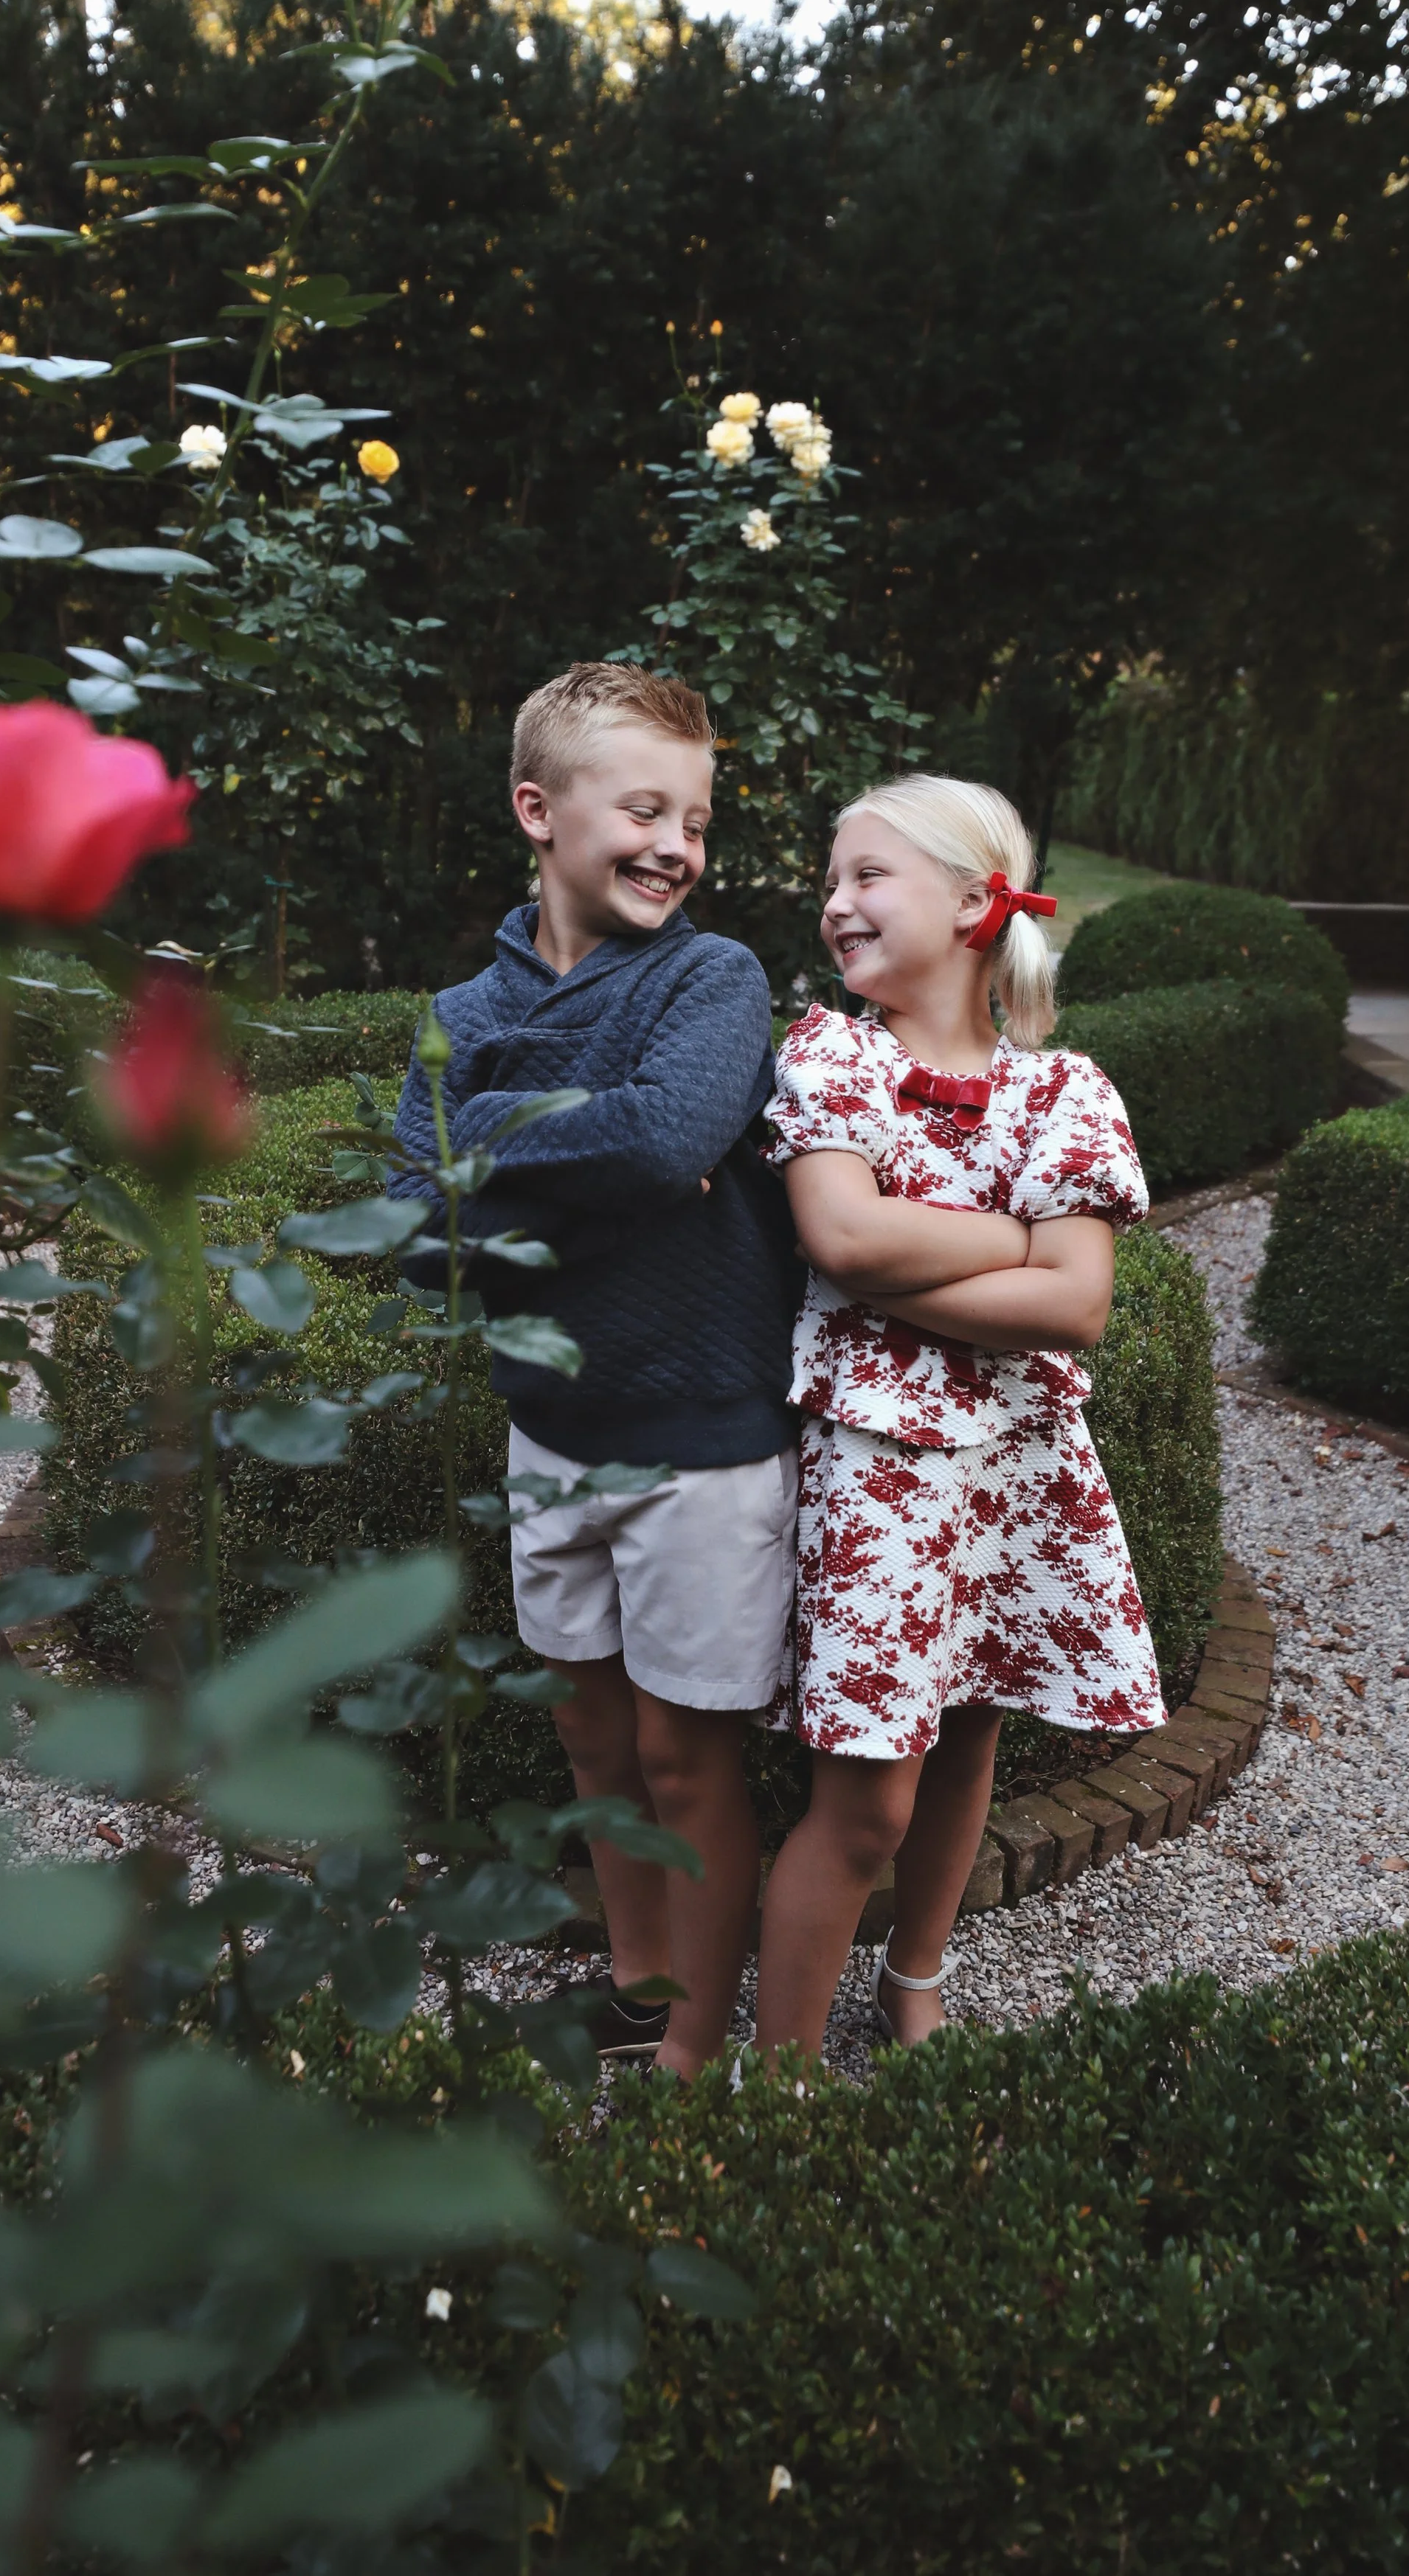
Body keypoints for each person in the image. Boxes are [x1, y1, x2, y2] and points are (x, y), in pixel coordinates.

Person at [391, 662, 801, 2079]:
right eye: (643, 809)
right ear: (536, 810)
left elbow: (669, 1137)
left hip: (703, 1442)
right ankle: (637, 1983)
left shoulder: (713, 976)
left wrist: (489, 1135)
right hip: (549, 1430)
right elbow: (410, 1228)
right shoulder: (464, 1003)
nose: (677, 846)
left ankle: (692, 2042)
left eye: (695, 817)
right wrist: (591, 1149)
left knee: (689, 1760)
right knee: (593, 1743)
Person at [753, 774, 1165, 2061]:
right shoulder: (834, 1053)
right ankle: (775, 2075)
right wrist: (1012, 1242)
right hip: (878, 1474)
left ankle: (916, 1977)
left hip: (1020, 1466)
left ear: (977, 902)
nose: (837, 903)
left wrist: (925, 1260)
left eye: (868, 875)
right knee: (868, 1796)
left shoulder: (1067, 1091)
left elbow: (1080, 1305)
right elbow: (844, 1237)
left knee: (973, 1723)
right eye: (833, 880)